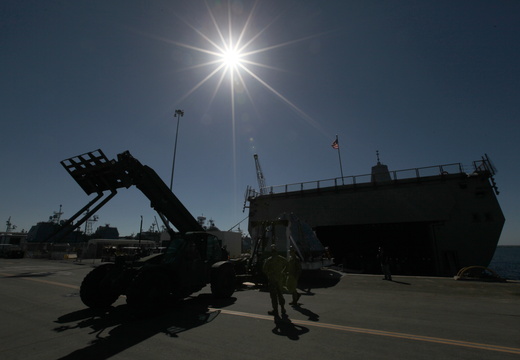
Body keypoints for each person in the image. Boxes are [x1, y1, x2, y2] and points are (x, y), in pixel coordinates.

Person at [263, 244, 288, 317]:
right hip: (279, 279)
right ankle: (283, 308)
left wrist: (269, 273)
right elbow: (287, 264)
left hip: (272, 280)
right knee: (280, 294)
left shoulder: (269, 260)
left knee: (274, 296)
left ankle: (275, 310)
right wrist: (283, 271)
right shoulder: (281, 258)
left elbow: (264, 269)